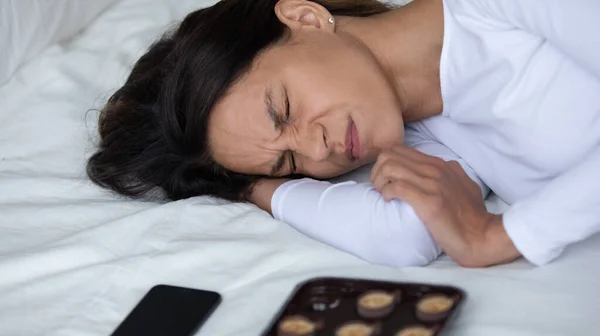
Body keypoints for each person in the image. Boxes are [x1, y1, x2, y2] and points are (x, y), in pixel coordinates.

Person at [87, 0, 600, 269]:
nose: (317, 149)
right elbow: (400, 233)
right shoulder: (422, 135)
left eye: (282, 110)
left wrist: (504, 235)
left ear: (305, 17)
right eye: (289, 163)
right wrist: (241, 185)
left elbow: (478, 237)